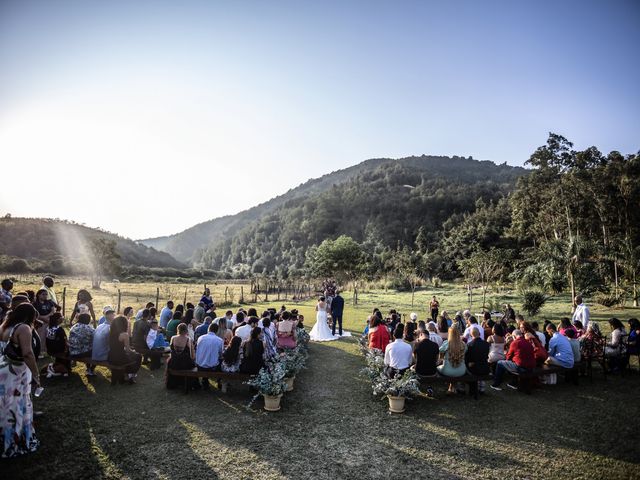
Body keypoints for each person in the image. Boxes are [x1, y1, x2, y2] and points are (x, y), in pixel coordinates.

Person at [0, 303, 40, 458]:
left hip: (3, 368)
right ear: (30, 316)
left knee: (4, 404)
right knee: (17, 405)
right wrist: (36, 374)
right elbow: (28, 353)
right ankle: (15, 441)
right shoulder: (23, 328)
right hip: (16, 371)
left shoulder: (4, 326)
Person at [108, 316, 142, 383]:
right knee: (138, 356)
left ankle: (126, 374)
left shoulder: (111, 332)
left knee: (131, 356)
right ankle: (131, 375)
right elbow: (128, 350)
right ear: (124, 324)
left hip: (110, 357)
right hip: (120, 358)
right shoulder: (124, 334)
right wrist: (134, 352)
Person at [166, 323, 196, 390]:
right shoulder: (188, 340)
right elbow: (192, 356)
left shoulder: (173, 338)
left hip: (174, 363)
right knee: (192, 363)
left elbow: (171, 352)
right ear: (186, 330)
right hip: (185, 364)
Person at [437, 326, 467, 392]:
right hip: (461, 371)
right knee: (453, 368)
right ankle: (452, 387)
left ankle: (451, 388)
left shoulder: (446, 343)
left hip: (447, 371)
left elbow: (440, 352)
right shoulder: (463, 345)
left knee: (438, 368)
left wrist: (442, 357)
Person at [195, 323, 224, 389]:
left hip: (200, 365)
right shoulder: (219, 340)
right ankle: (219, 381)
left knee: (207, 358)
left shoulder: (200, 338)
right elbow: (221, 355)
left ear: (208, 329)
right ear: (217, 331)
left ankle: (205, 380)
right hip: (212, 367)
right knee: (221, 361)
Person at [413, 329, 439, 396]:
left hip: (420, 371)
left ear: (421, 334)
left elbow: (414, 359)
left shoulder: (417, 344)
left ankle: (416, 387)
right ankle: (429, 387)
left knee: (412, 368)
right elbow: (436, 359)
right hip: (432, 371)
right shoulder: (435, 345)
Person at [68, 312, 95, 378]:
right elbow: (96, 338)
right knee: (97, 350)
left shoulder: (74, 326)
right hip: (81, 353)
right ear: (88, 320)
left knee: (87, 346)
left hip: (72, 351)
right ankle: (90, 369)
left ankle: (88, 368)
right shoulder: (89, 328)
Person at [465, 328, 490, 395]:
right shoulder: (486, 344)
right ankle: (481, 388)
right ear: (479, 334)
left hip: (474, 369)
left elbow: (467, 359)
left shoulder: (469, 345)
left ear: (470, 335)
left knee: (466, 369)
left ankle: (465, 388)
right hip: (485, 368)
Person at [45, 313, 69, 377]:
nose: (63, 318)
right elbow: (65, 341)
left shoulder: (48, 328)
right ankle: (65, 369)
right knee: (69, 351)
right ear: (58, 320)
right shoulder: (59, 329)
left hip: (50, 350)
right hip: (59, 350)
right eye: (61, 317)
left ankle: (58, 366)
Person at [33, 288, 56, 356]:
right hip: (39, 323)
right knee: (41, 337)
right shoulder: (35, 303)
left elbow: (53, 310)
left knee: (48, 336)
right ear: (38, 295)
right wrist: (44, 318)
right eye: (43, 294)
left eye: (46, 294)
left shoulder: (49, 302)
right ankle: (40, 352)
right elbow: (35, 314)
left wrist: (47, 316)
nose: (45, 296)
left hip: (49, 321)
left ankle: (47, 351)